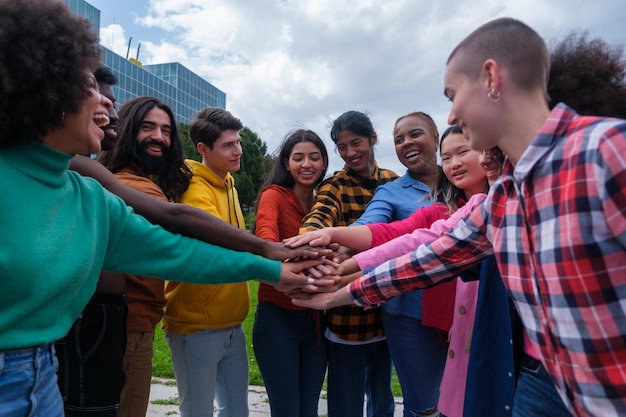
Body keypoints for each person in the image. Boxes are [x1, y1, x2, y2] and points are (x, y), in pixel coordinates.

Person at [0, 2, 332, 414]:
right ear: (43, 87)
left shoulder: (90, 198)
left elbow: (176, 251)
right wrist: (270, 253)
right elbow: (178, 220)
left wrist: (274, 268)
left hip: (42, 378)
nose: (108, 106)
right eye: (89, 86)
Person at [293, 17, 626, 417]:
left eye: (453, 95)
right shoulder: (503, 195)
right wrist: (343, 291)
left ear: (491, 78)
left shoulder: (606, 151)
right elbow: (431, 254)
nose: (450, 115)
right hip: (545, 380)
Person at [289, 125, 490, 417]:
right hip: (414, 313)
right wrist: (333, 241)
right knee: (429, 405)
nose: (454, 163)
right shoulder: (410, 197)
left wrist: (342, 278)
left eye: (462, 152)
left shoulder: (489, 201)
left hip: (477, 320)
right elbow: (396, 237)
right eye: (448, 157)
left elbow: (417, 254)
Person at [96, 96, 192, 417]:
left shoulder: (108, 178)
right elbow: (181, 247)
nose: (159, 137)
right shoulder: (140, 190)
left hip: (114, 323)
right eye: (147, 127)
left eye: (166, 130)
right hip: (130, 326)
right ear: (125, 131)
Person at [300, 110, 398, 417]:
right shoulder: (335, 185)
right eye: (342, 147)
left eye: (356, 143)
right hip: (348, 317)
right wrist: (309, 236)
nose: (350, 153)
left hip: (389, 312)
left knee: (383, 399)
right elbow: (320, 213)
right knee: (345, 402)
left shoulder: (394, 183)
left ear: (372, 139)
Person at [162, 107, 248, 417]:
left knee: (237, 411)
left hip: (232, 323)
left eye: (237, 142)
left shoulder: (228, 184)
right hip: (195, 326)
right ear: (203, 149)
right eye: (228, 145)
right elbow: (219, 248)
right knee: (197, 411)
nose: (237, 150)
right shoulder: (194, 190)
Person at [54, 65, 128, 417]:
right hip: (87, 317)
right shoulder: (77, 166)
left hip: (101, 315)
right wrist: (267, 253)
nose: (113, 113)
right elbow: (165, 219)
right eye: (104, 101)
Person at [251, 129, 330, 417]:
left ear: (324, 162)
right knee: (286, 410)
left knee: (308, 409)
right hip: (278, 317)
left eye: (314, 157)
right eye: (298, 158)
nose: (307, 164)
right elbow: (266, 239)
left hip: (317, 320)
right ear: (286, 163)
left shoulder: (325, 201)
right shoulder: (275, 195)